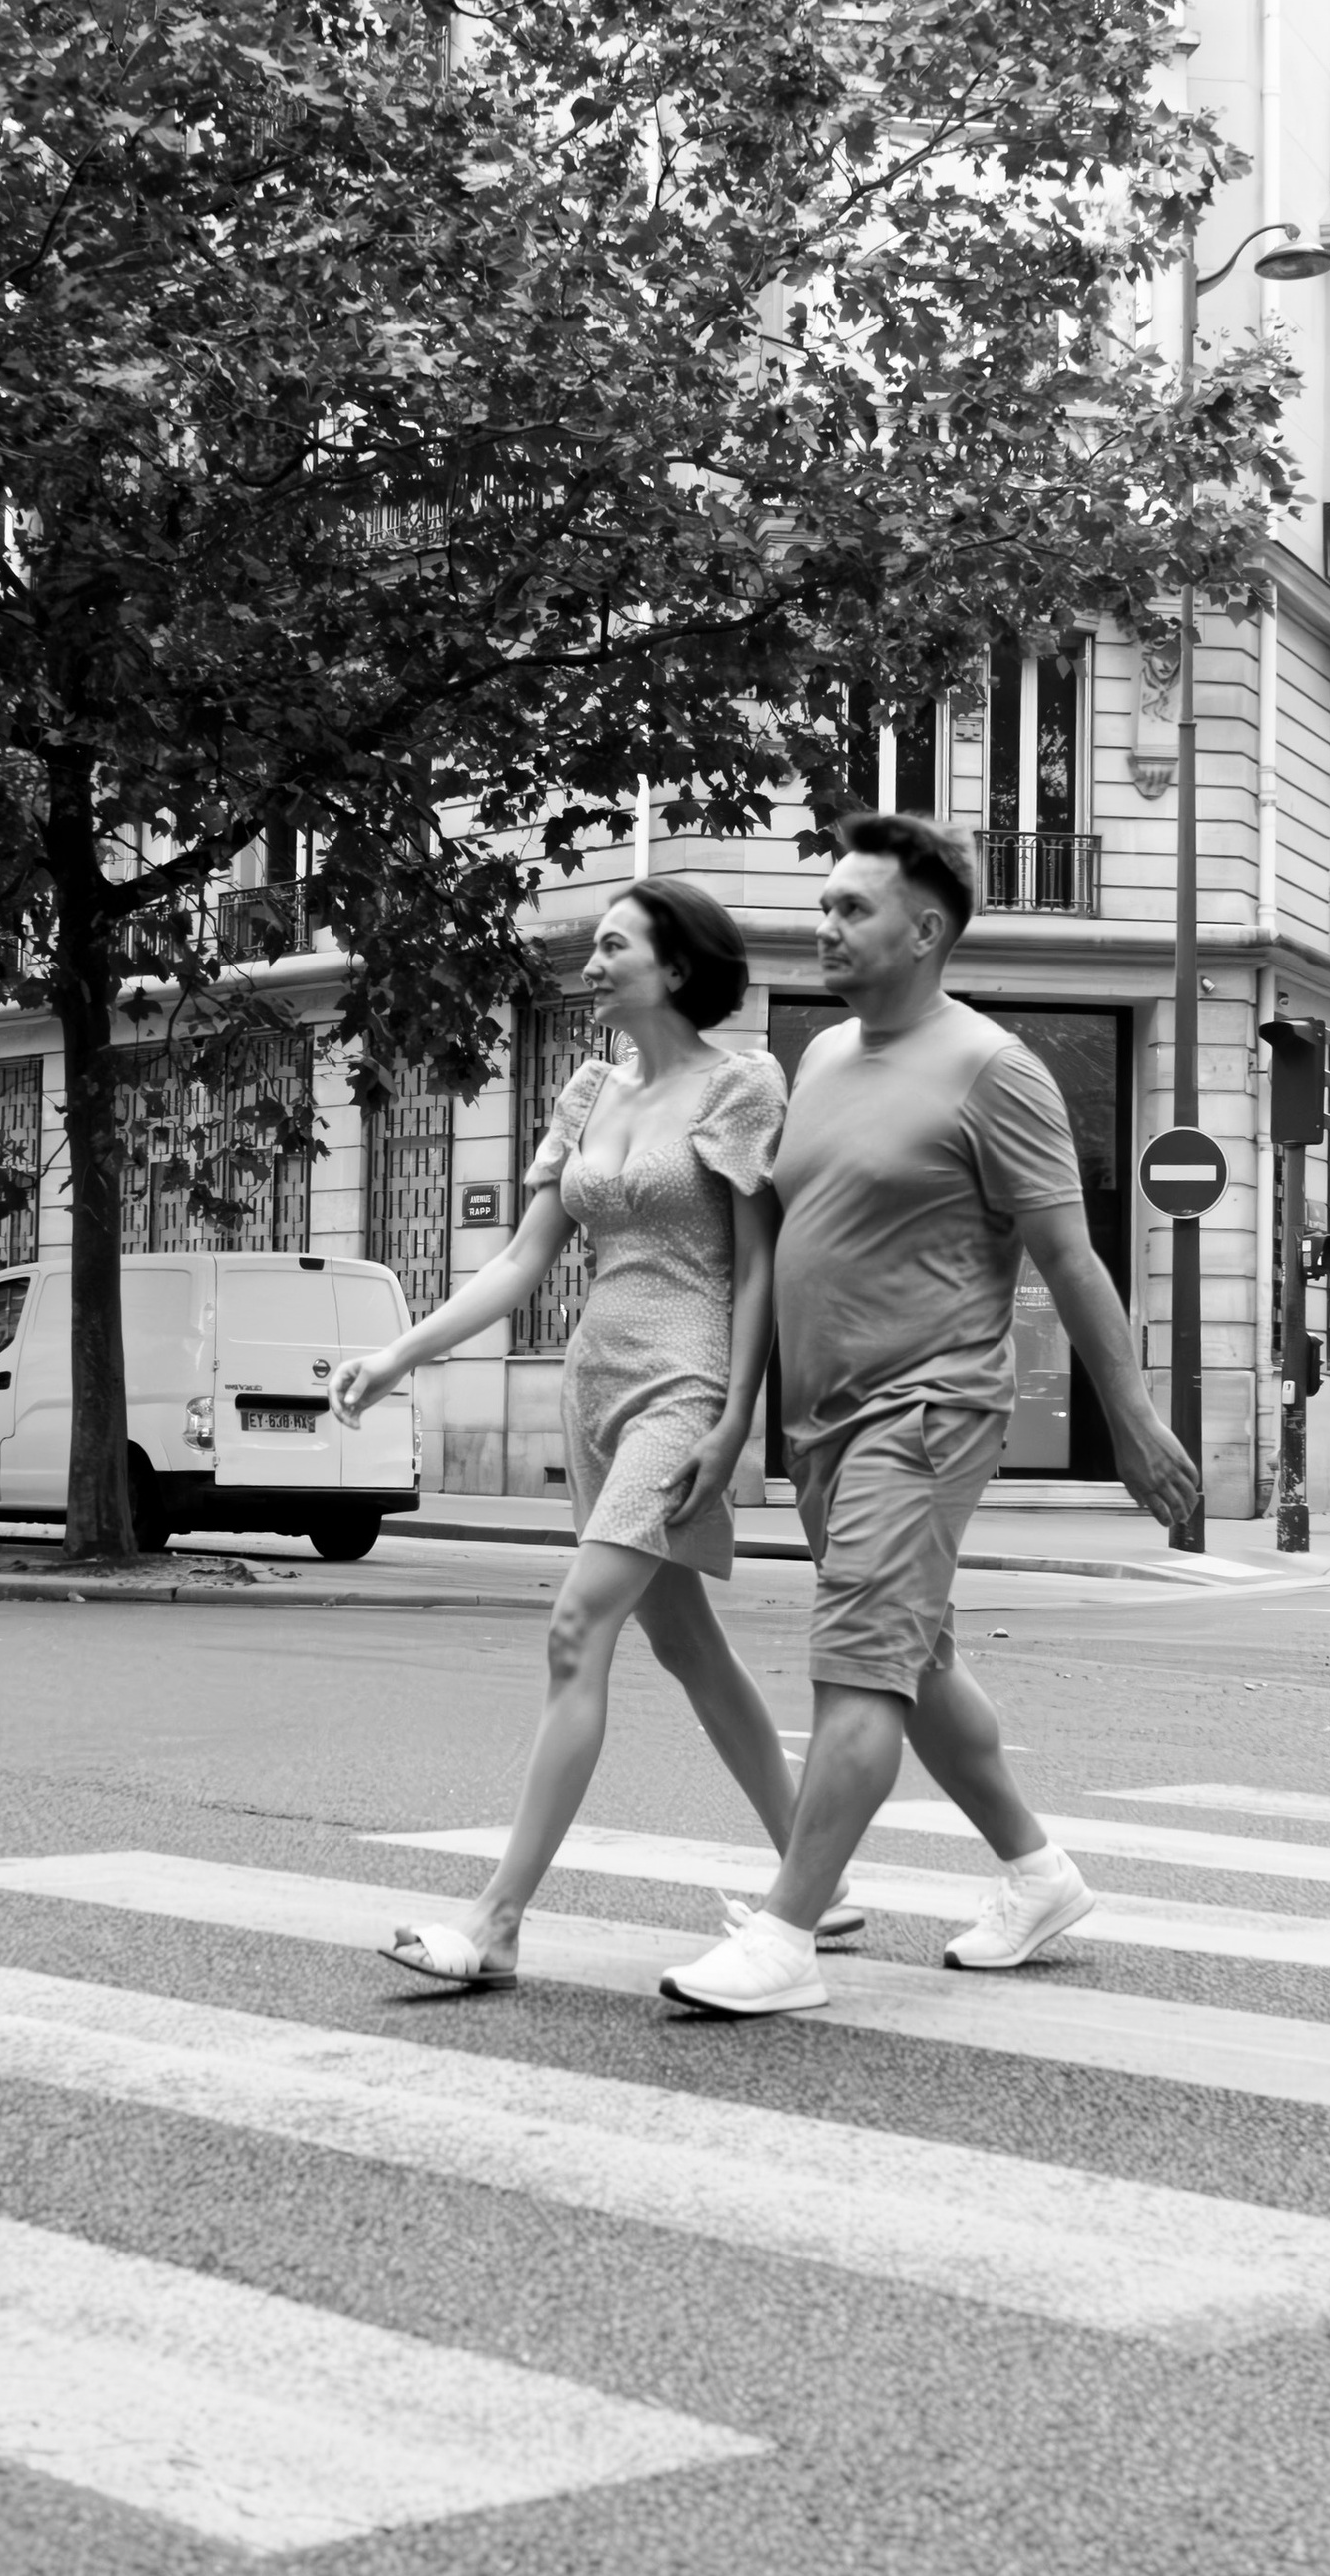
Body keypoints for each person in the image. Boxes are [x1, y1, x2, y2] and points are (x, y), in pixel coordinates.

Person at [658, 811, 1200, 2019]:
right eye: (826, 905)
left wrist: (1136, 1424)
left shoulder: (994, 1068)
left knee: (855, 1662)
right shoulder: (823, 1059)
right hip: (824, 1422)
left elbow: (1069, 1258)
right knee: (917, 1658)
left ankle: (790, 1930)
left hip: (928, 1406)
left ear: (926, 929)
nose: (826, 926)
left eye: (853, 908)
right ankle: (1039, 1873)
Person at [329, 875, 856, 1987]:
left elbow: (758, 1267)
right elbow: (523, 1261)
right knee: (684, 1643)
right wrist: (399, 1353)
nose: (593, 956)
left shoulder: (742, 1083)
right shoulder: (585, 1092)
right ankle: (822, 1875)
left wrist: (733, 1418)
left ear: (673, 966)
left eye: (614, 942)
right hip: (595, 1381)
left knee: (577, 1629)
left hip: (684, 1378)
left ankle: (499, 1919)